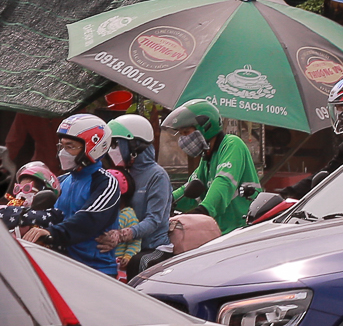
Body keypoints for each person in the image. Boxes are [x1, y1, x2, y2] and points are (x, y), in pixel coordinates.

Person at [23, 113, 122, 275]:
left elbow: (88, 219)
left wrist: (51, 233)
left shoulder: (106, 183)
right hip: (59, 264)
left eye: (70, 146)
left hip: (94, 270)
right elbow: (41, 213)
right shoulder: (60, 181)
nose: (63, 152)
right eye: (61, 146)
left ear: (93, 148)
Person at [165, 98, 258, 234]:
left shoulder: (232, 145)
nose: (183, 139)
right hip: (221, 231)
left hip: (242, 228)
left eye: (186, 132)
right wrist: (166, 201)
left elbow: (223, 182)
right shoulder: (208, 157)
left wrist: (204, 210)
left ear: (205, 127)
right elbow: (190, 188)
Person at [99, 113, 173, 274]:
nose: (113, 150)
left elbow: (154, 220)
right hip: (123, 247)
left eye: (116, 144)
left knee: (137, 264)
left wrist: (123, 235)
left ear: (134, 145)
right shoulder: (121, 174)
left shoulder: (157, 176)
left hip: (153, 246)